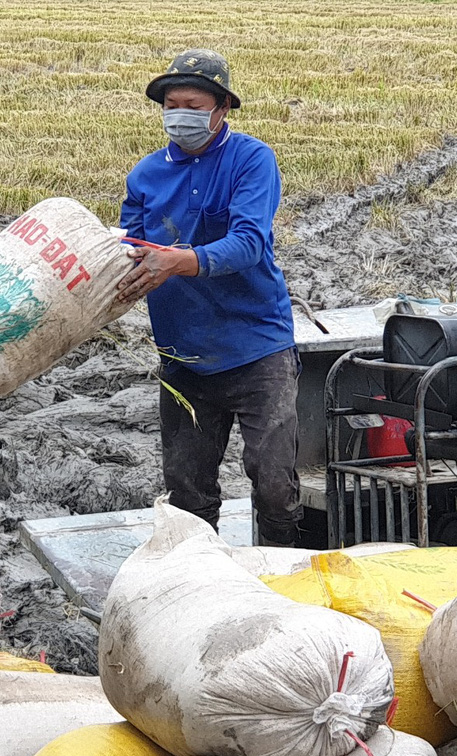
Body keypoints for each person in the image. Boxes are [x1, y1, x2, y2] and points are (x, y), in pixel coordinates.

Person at [117, 48, 300, 546]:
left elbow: (249, 242)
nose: (180, 114)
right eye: (171, 104)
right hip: (184, 355)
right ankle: (201, 578)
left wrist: (180, 260)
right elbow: (127, 246)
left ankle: (280, 568)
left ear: (221, 109)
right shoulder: (147, 174)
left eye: (193, 105)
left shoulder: (251, 160)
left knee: (274, 481)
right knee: (187, 489)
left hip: (257, 345)